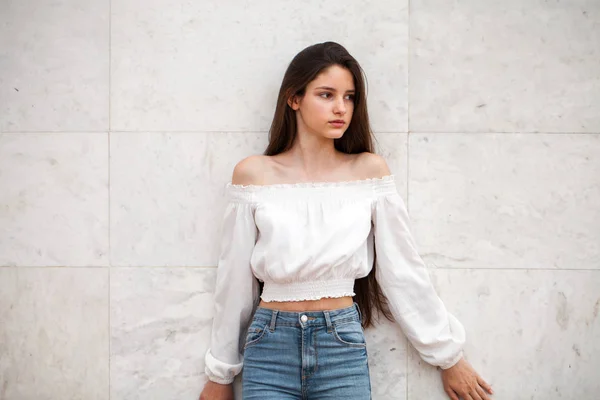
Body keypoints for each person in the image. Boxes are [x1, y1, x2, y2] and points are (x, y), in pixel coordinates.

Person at [199, 41, 494, 400]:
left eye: (350, 97)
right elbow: (233, 282)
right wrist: (221, 373)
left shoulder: (368, 172)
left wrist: (448, 357)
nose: (341, 108)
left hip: (340, 342)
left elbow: (402, 271)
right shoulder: (254, 174)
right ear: (294, 98)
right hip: (269, 343)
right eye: (327, 95)